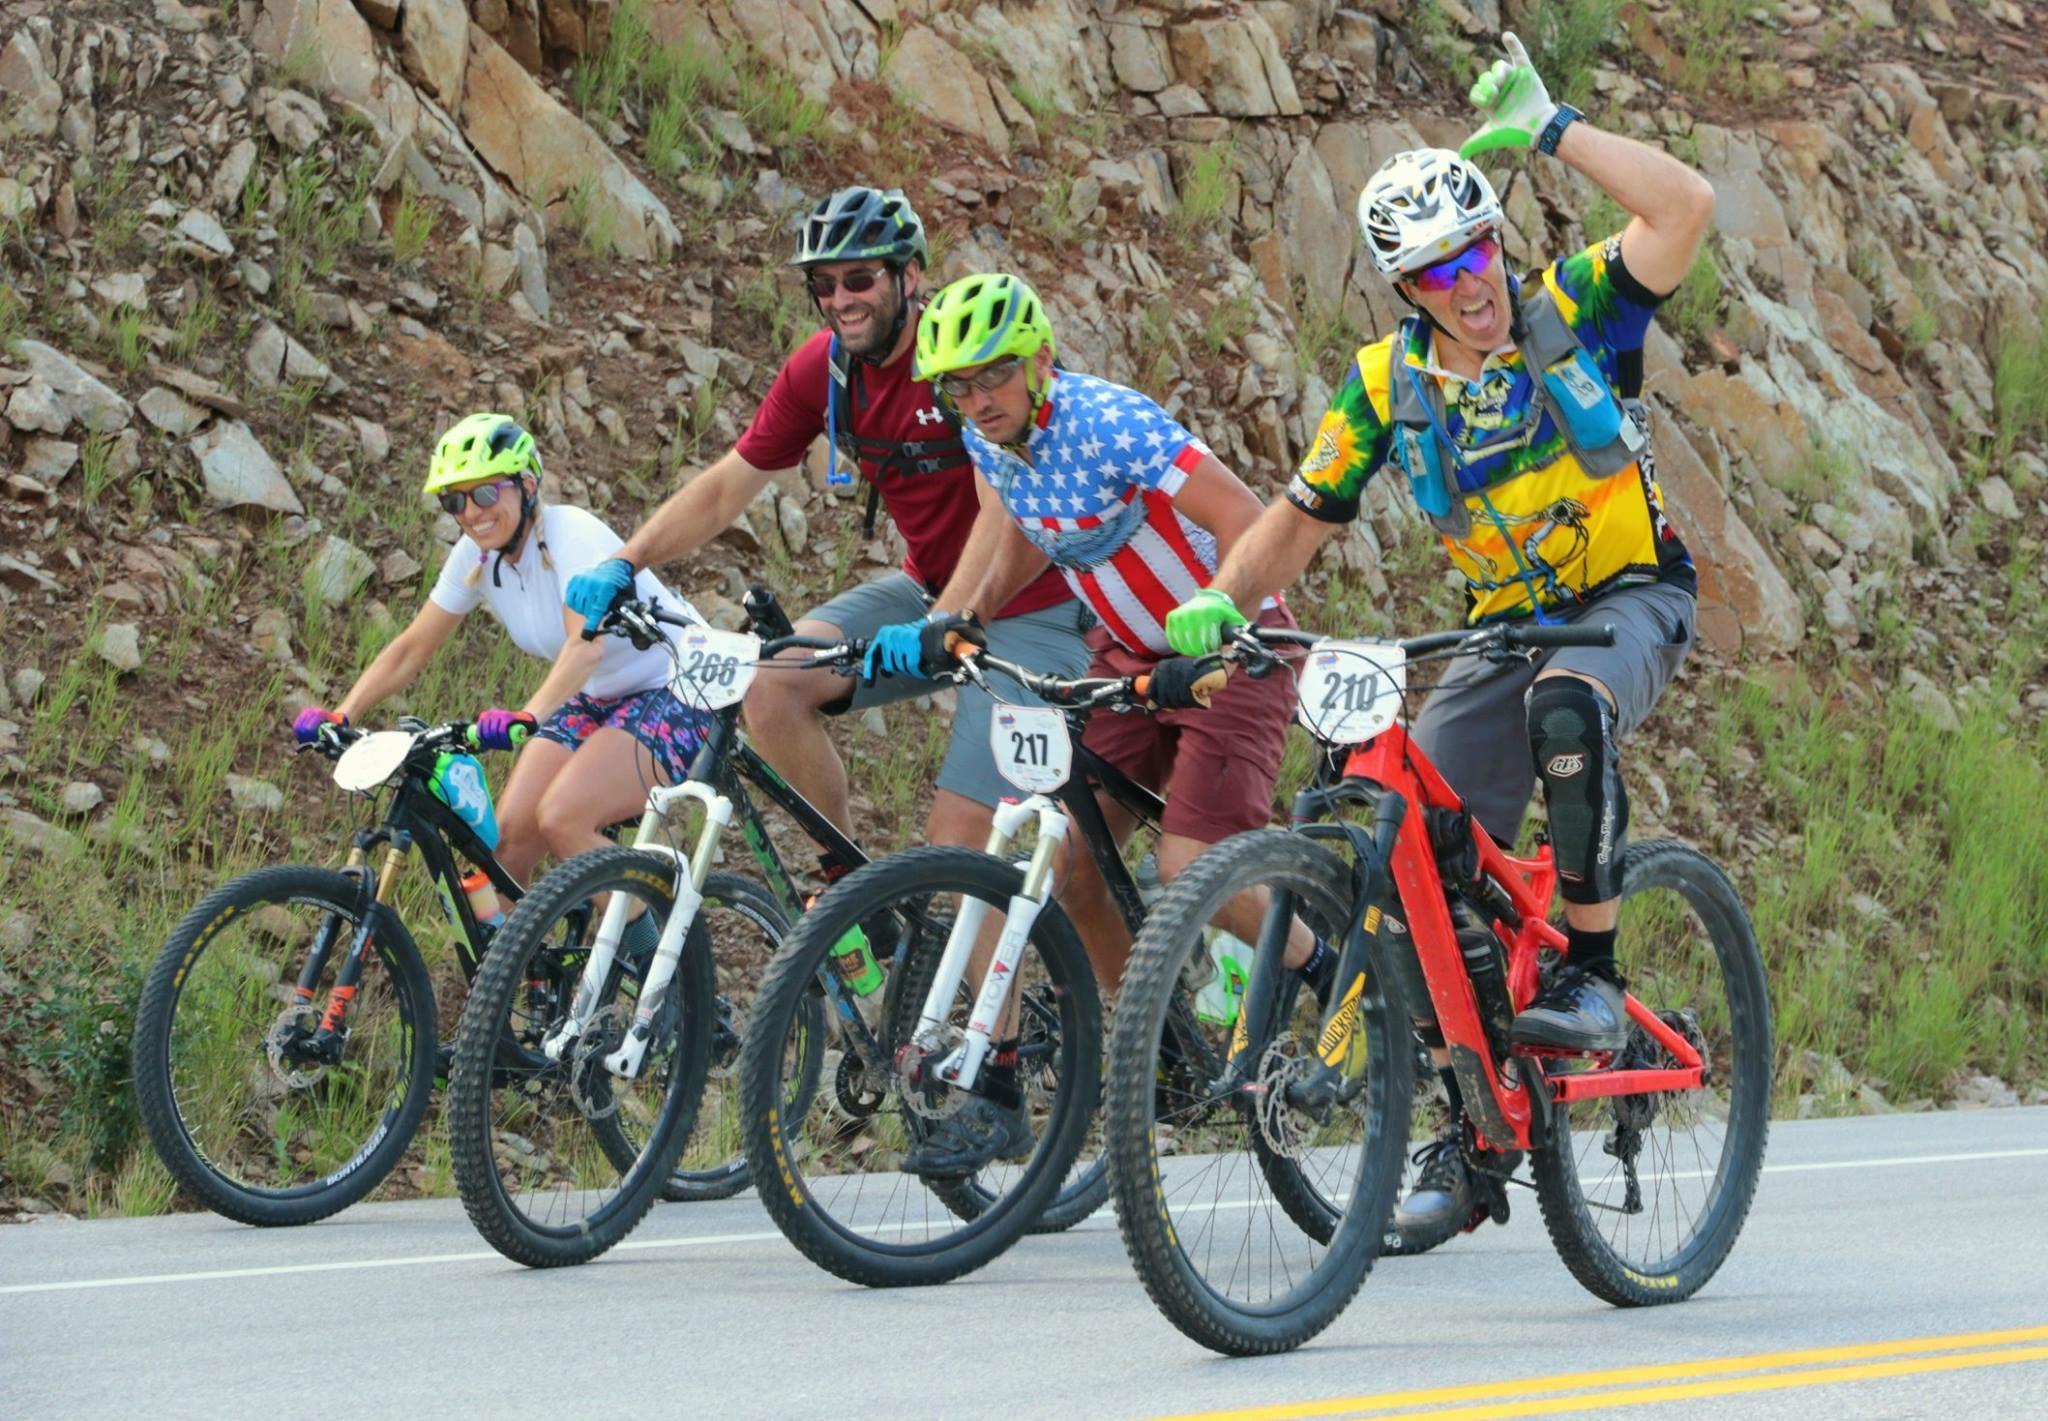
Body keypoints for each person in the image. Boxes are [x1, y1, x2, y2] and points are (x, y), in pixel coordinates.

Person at [1163, 34, 1716, 1234]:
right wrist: (1221, 596)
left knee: (1564, 705)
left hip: (1629, 597)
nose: (1467, 282)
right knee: (1410, 849)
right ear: (1400, 287)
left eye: (1475, 251)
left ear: (1497, 242)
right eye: (1434, 270)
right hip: (1497, 628)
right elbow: (1297, 519)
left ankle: (1593, 973)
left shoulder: (1574, 306)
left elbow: (1685, 205)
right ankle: (1473, 1138)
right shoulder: (1379, 386)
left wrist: (1548, 124)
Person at [905, 270, 1339, 1173]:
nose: (977, 398)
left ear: (1039, 361)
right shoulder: (994, 441)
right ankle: (1165, 1044)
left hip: (1234, 649)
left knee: (1188, 867)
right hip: (1129, 662)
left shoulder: (1109, 421)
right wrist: (966, 613)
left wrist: (1215, 617)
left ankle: (1324, 966)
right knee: (1058, 860)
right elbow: (1022, 523)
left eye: (994, 376)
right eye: (958, 384)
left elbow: (1240, 515)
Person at [563, 186, 1090, 882]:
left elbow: (1005, 513)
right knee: (772, 683)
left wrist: (945, 619)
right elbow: (728, 485)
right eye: (824, 284)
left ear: (910, 277)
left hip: (1036, 606)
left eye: (861, 278)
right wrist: (627, 559)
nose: (841, 299)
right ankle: (851, 882)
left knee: (958, 840)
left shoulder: (959, 362)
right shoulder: (827, 371)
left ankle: (1013, 990)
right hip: (931, 591)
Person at [292, 412, 709, 959]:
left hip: (681, 681)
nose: (471, 513)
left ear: (527, 485)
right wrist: (343, 712)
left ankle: (670, 987)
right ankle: (504, 1010)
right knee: (505, 849)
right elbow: (412, 647)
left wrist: (529, 716)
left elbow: (585, 646)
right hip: (602, 692)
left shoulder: (572, 535)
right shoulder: (476, 557)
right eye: (454, 501)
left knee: (563, 817)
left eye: (485, 492)